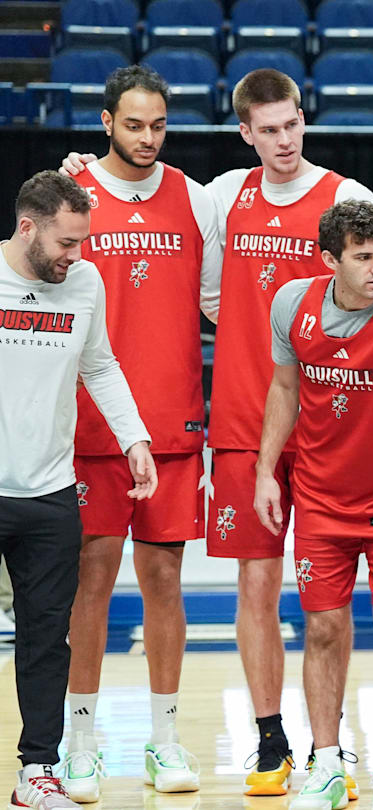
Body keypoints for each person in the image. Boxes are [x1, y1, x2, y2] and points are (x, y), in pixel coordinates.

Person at [59, 67, 373, 795]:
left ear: (303, 121)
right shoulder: (218, 197)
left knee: (334, 602)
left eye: (293, 125)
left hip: (339, 428)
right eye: (269, 129)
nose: (284, 140)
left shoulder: (350, 199)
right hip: (240, 423)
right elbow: (205, 294)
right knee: (256, 582)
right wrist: (75, 169)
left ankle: (336, 750)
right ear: (246, 133)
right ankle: (271, 741)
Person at [55, 66, 220, 800]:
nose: (147, 138)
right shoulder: (72, 195)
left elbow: (220, 302)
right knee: (90, 582)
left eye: (158, 125)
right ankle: (81, 741)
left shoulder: (194, 197)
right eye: (133, 125)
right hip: (90, 428)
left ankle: (164, 739)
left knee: (163, 583)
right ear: (106, 120)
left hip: (174, 424)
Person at [253, 200, 373, 810]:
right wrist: (264, 472)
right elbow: (282, 388)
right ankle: (327, 765)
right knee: (324, 629)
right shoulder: (292, 305)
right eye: (364, 257)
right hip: (320, 503)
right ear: (330, 259)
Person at [1, 170, 155, 810]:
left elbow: (99, 364)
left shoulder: (83, 283)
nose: (78, 256)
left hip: (51, 493)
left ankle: (37, 770)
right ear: (27, 227)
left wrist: (135, 438)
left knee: (46, 638)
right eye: (66, 243)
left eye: (83, 241)